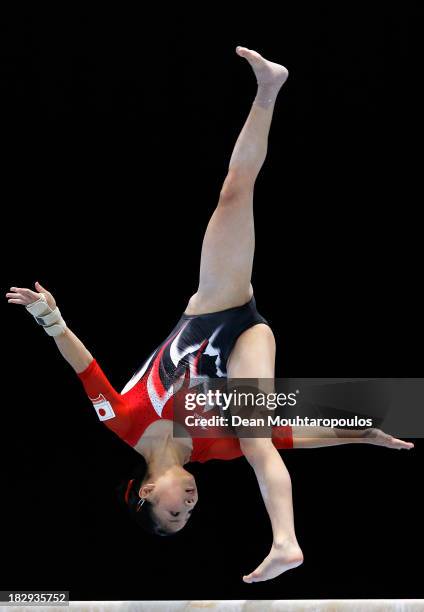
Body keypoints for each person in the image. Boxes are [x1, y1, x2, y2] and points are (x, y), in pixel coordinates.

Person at [6, 46, 413, 583]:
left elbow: (87, 370)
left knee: (232, 193)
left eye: (176, 511)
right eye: (190, 516)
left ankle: (269, 88)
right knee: (257, 432)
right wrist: (360, 430)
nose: (191, 504)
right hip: (249, 338)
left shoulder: (124, 422)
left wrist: (50, 319)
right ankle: (286, 542)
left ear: (147, 492)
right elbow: (293, 429)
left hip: (212, 308)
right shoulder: (209, 447)